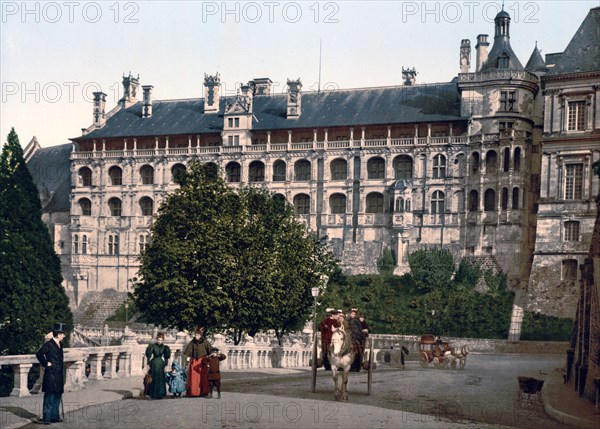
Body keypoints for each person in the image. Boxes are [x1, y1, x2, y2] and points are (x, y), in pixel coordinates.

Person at [35, 323, 66, 425]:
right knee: (49, 396)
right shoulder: (49, 344)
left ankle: (54, 416)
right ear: (58, 334)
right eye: (62, 334)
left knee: (57, 395)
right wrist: (45, 363)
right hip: (51, 374)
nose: (64, 336)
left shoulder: (60, 344)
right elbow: (39, 354)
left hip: (59, 374)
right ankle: (47, 418)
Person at [184, 327, 212, 397]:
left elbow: (210, 351)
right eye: (196, 335)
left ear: (201, 336)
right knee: (194, 377)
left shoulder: (205, 342)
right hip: (194, 361)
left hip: (203, 362)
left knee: (203, 377)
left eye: (198, 335)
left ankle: (204, 392)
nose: (197, 337)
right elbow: (188, 353)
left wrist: (209, 361)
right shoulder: (192, 342)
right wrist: (187, 362)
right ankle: (194, 392)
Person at [145, 332, 171, 399]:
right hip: (154, 363)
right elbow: (149, 355)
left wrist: (166, 365)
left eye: (161, 340)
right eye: (158, 340)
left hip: (161, 363)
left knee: (161, 379)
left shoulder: (165, 347)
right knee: (153, 378)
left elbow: (166, 357)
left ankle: (161, 394)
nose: (160, 341)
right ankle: (153, 394)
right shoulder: (153, 346)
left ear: (163, 340)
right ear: (157, 340)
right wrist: (148, 364)